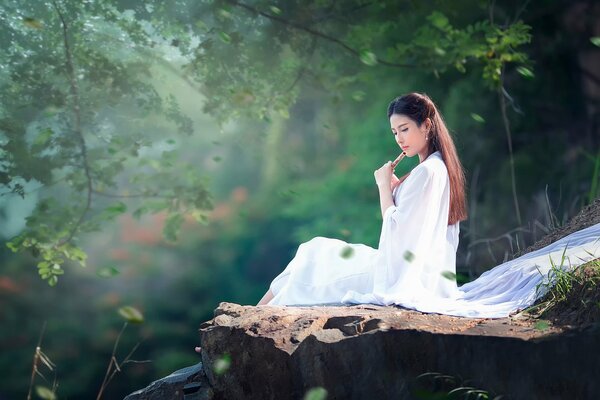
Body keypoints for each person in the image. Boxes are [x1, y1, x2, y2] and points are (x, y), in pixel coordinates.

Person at [257, 92, 468, 308]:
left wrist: (384, 187)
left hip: (400, 276)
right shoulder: (437, 167)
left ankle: (254, 313)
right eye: (395, 132)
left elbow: (397, 230)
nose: (399, 139)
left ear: (426, 125)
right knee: (312, 252)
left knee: (313, 256)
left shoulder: (426, 172)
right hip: (414, 272)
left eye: (404, 129)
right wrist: (396, 189)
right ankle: (253, 313)